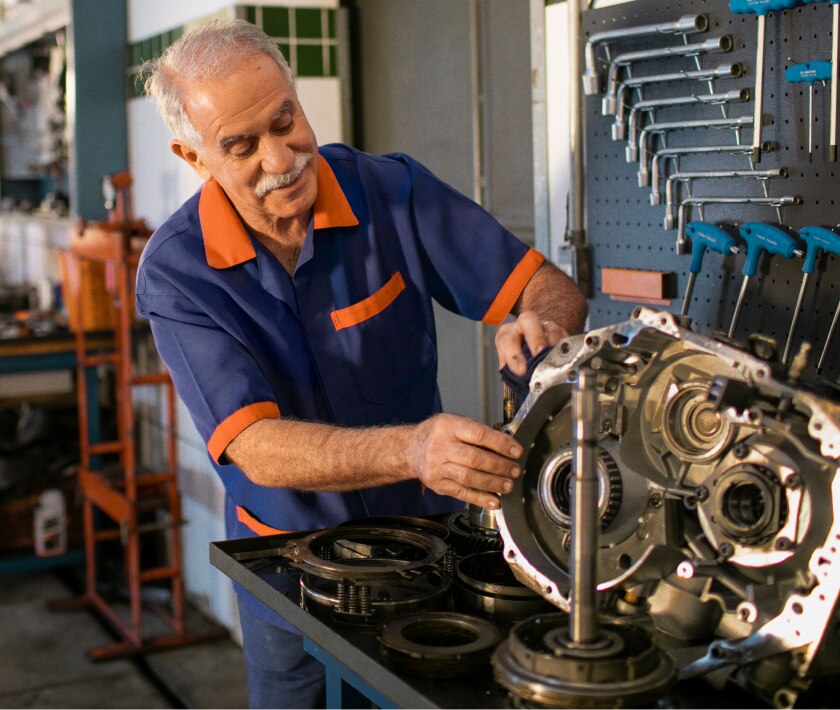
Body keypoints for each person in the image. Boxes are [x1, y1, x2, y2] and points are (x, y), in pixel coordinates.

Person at [138, 18, 587, 709]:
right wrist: (414, 447)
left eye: (285, 121)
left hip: (427, 552)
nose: (280, 157)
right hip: (287, 566)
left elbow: (545, 285)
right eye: (241, 145)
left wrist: (543, 325)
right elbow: (254, 447)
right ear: (194, 158)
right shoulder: (178, 274)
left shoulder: (390, 193)